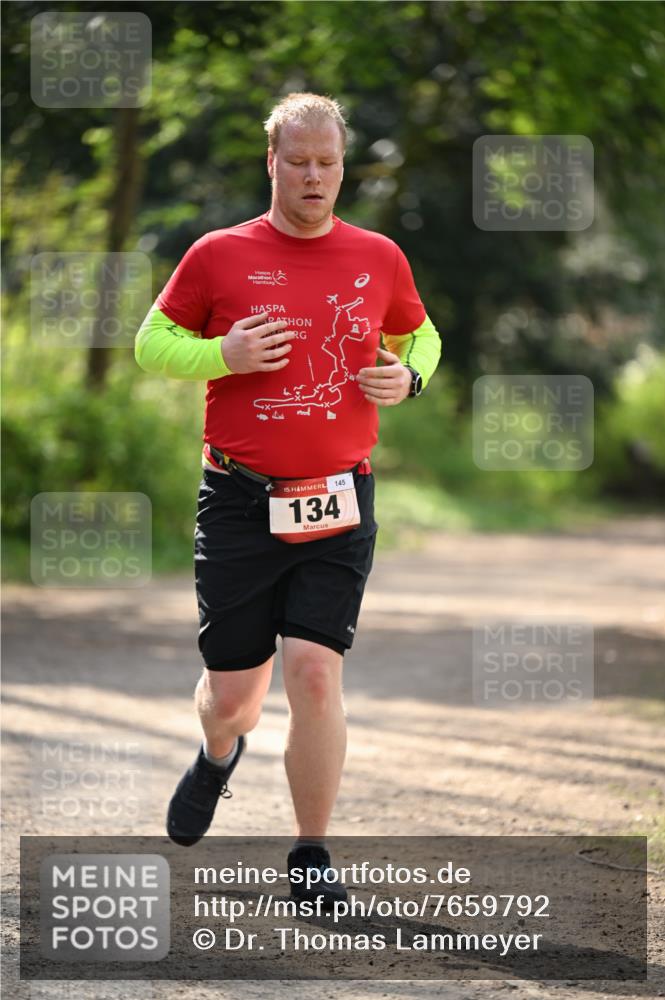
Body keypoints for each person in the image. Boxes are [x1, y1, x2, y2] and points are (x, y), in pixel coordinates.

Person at [135, 92, 441, 906]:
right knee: (234, 698)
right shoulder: (217, 254)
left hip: (339, 499)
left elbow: (422, 333)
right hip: (238, 499)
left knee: (312, 673)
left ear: (343, 165)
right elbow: (150, 343)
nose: (314, 176)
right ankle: (216, 753)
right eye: (298, 161)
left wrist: (411, 377)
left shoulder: (378, 256)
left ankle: (311, 854)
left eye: (328, 162)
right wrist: (221, 353)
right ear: (271, 162)